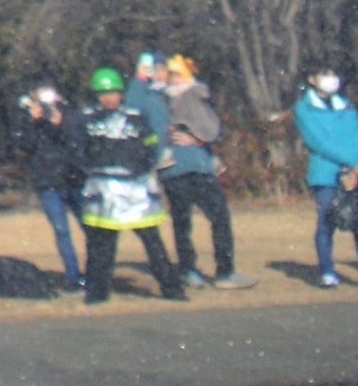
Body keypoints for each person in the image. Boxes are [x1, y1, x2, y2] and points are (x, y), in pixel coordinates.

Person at [75, 65, 182, 303]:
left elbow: (151, 148)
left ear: (121, 93)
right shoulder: (87, 120)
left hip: (136, 190)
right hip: (104, 191)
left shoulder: (135, 118)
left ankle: (172, 289)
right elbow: (78, 152)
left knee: (152, 242)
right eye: (103, 93)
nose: (108, 98)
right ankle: (97, 294)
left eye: (113, 92)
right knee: (101, 246)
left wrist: (142, 169)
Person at [158, 56, 247, 288]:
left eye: (177, 74)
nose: (173, 79)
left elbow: (212, 129)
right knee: (182, 222)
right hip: (173, 170)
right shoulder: (159, 99)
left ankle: (225, 272)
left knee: (220, 218)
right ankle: (188, 270)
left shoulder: (198, 96)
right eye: (170, 74)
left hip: (201, 168)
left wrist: (196, 138)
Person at [290, 68, 358, 287]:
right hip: (326, 173)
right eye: (325, 74)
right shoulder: (303, 109)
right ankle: (327, 271)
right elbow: (318, 142)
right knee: (327, 222)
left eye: (333, 74)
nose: (331, 79)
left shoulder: (347, 108)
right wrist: (350, 163)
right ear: (312, 79)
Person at [16, 80, 85, 294]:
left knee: (90, 227)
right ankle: (73, 277)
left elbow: (77, 141)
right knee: (61, 230)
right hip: (48, 181)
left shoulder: (70, 114)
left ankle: (97, 273)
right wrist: (32, 121)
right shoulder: (28, 117)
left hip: (73, 178)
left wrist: (60, 123)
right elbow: (23, 146)